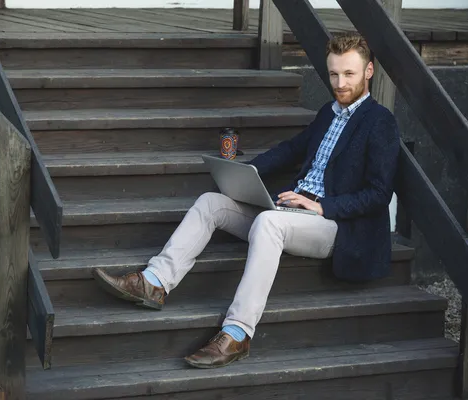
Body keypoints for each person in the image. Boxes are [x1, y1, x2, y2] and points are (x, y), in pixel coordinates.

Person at [92, 32, 400, 369]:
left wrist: (322, 205)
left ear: (368, 71)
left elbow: (378, 194)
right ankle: (153, 283)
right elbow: (291, 150)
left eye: (349, 74)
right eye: (334, 74)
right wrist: (246, 171)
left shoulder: (380, 122)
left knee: (269, 223)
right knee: (212, 202)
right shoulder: (329, 113)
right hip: (294, 214)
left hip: (336, 226)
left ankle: (237, 332)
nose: (340, 83)